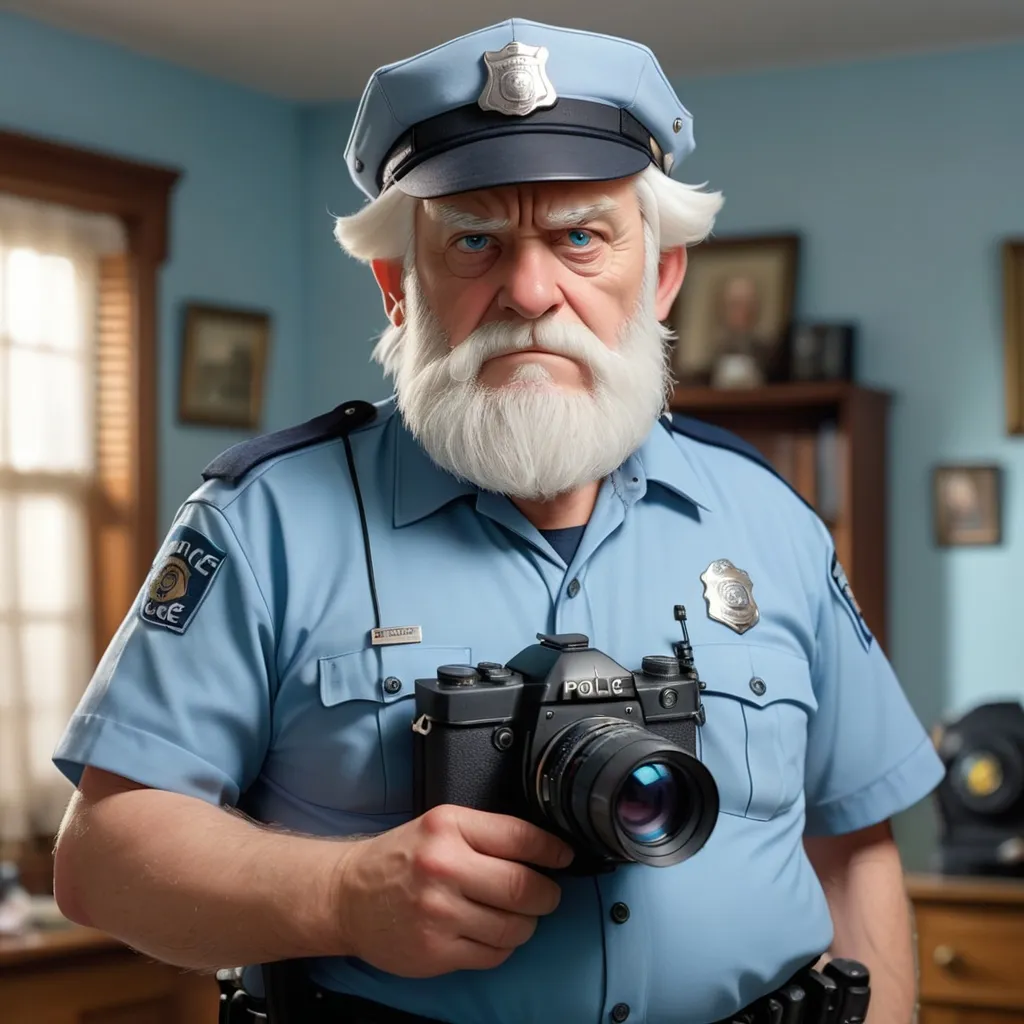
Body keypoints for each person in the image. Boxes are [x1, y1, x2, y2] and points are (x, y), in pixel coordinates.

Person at [50, 17, 945, 1024]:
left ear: (657, 277)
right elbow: (102, 857)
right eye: (474, 240)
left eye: (580, 237)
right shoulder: (263, 524)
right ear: (398, 285)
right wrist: (343, 896)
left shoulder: (770, 518)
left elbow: (854, 844)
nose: (528, 291)